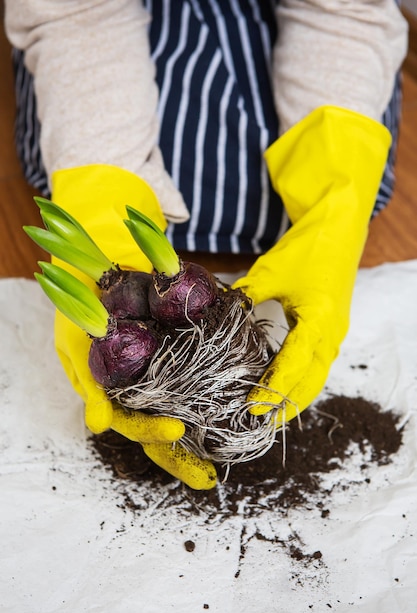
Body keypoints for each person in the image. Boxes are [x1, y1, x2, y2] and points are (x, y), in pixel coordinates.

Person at [5, 1, 408, 489]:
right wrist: (101, 201)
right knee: (80, 143)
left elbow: (346, 12)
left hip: (292, 43)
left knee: (339, 166)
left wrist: (334, 208)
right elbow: (74, 16)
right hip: (106, 49)